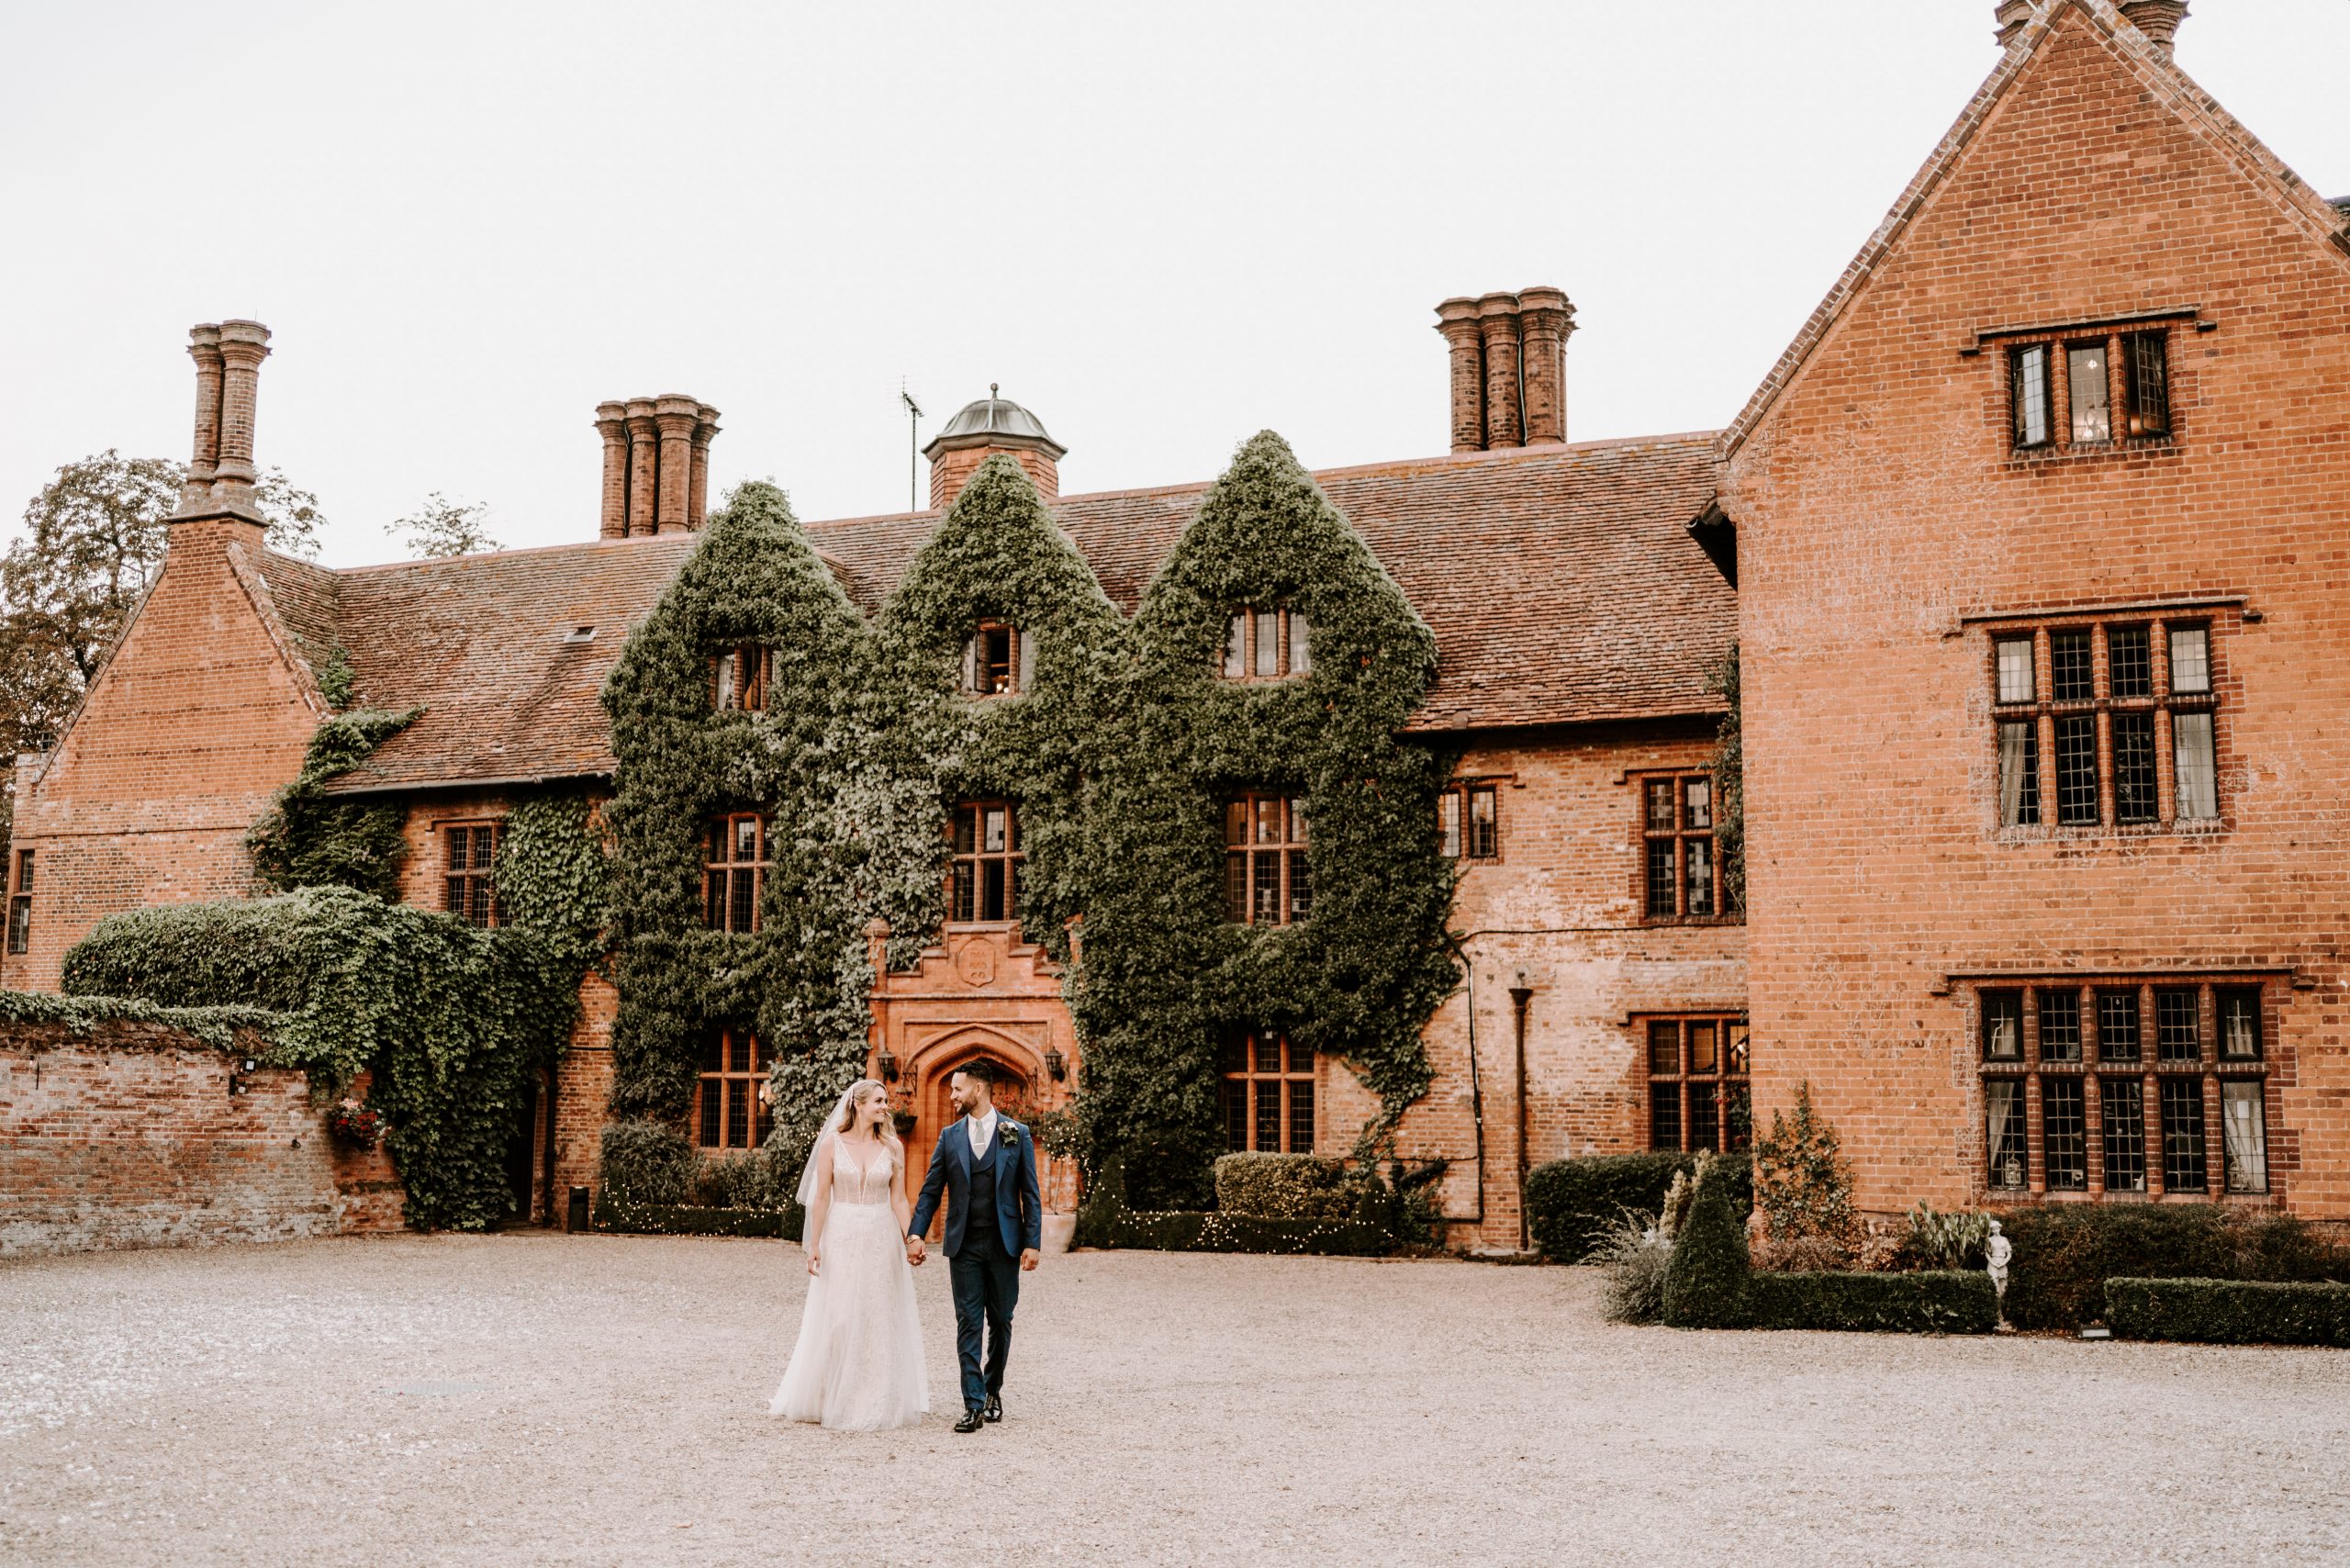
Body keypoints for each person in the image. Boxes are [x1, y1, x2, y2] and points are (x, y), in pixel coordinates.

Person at [769, 1079, 929, 1429]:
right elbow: (822, 1197)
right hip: (840, 1233)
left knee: (876, 1313)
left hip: (879, 1234)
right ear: (858, 1104)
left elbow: (899, 1199)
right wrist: (814, 1244)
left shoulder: (893, 1147)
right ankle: (828, 1393)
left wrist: (912, 1237)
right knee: (838, 1314)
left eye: (886, 1101)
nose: (885, 1106)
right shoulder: (832, 1144)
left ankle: (872, 1395)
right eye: (878, 1100)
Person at [905, 1062, 1043, 1434]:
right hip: (963, 1245)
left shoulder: (1017, 1133)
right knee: (968, 1322)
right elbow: (931, 1190)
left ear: (978, 1090)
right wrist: (916, 1233)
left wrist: (1032, 1243)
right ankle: (973, 1404)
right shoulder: (949, 1138)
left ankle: (993, 1388)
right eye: (950, 1089)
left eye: (957, 1089)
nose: (952, 1096)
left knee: (1001, 1320)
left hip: (1005, 1244)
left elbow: (1030, 1193)